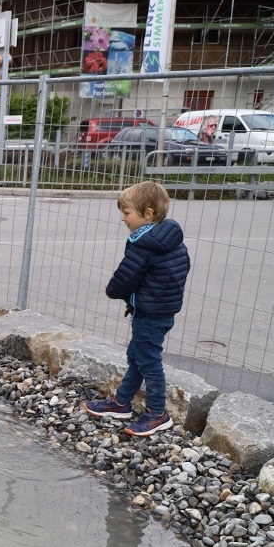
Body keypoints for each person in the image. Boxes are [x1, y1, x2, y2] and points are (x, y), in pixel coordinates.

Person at [83, 181, 190, 437]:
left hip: (149, 313)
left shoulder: (144, 244)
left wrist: (112, 290)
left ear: (148, 214)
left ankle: (157, 414)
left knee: (149, 362)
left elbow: (126, 277)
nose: (123, 218)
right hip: (162, 310)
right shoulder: (169, 237)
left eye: (127, 213)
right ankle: (121, 402)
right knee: (137, 357)